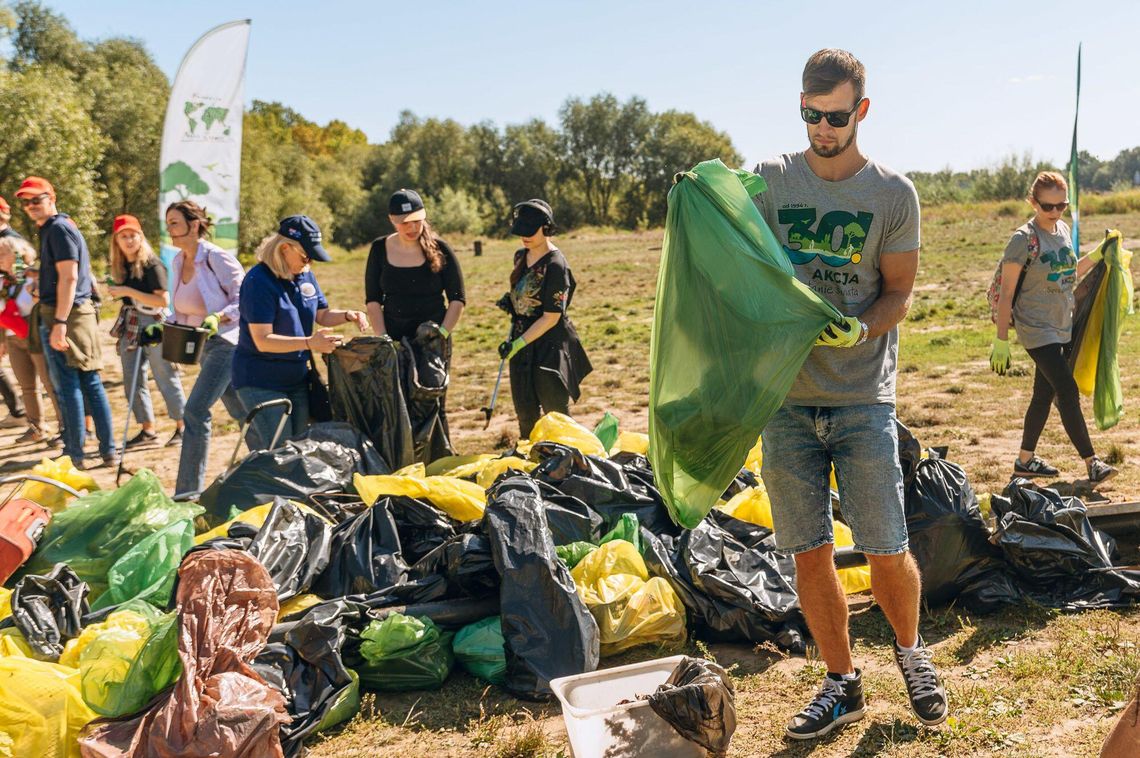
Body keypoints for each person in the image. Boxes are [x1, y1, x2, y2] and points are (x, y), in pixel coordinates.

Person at [752, 49, 947, 739]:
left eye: (834, 116)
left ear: (861, 111)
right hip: (785, 401)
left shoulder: (893, 195)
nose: (821, 128)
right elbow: (719, 242)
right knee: (809, 551)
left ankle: (912, 653)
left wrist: (860, 329)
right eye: (810, 114)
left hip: (865, 397)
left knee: (885, 545)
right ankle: (842, 682)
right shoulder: (770, 181)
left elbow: (898, 293)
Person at [990, 171, 1117, 485]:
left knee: (1042, 395)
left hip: (1061, 325)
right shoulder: (1023, 239)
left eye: (1063, 205)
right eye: (1049, 206)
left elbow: (1068, 272)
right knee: (1067, 391)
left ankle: (1024, 461)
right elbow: (1007, 292)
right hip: (1035, 328)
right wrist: (1001, 339)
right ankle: (1092, 463)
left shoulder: (1062, 228)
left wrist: (1099, 253)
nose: (1056, 212)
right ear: (1033, 202)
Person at [233, 215, 366, 448]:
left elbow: (322, 315)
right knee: (280, 452)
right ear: (285, 248)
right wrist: (309, 343)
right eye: (306, 257)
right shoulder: (258, 281)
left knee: (299, 450)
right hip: (261, 382)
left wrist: (348, 315)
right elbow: (262, 340)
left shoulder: (305, 274)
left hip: (297, 380)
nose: (309, 263)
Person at [15, 176, 116, 469]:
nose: (31, 206)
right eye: (26, 201)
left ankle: (76, 453)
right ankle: (104, 451)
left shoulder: (58, 228)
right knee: (86, 382)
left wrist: (59, 321)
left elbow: (70, 277)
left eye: (37, 199)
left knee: (72, 385)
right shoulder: (55, 228)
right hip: (68, 313)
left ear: (52, 196)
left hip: (67, 316)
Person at [365, 188, 466, 435]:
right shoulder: (379, 249)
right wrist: (384, 339)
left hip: (432, 340)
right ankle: (404, 456)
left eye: (417, 222)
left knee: (432, 400)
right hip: (395, 339)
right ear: (392, 220)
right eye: (404, 223)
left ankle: (438, 454)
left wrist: (441, 333)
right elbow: (373, 301)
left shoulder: (440, 248)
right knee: (398, 402)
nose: (412, 228)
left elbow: (457, 299)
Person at [164, 200, 246, 498]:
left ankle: (187, 494)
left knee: (196, 411)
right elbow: (184, 308)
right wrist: (162, 326)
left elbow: (244, 298)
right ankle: (274, 461)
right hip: (203, 346)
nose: (169, 229)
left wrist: (219, 316)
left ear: (194, 224)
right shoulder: (177, 261)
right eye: (168, 223)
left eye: (174, 222)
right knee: (242, 411)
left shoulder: (216, 258)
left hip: (227, 342)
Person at [498, 199, 592, 438]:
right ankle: (532, 462)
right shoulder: (520, 256)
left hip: (550, 344)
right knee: (525, 411)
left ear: (547, 228)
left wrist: (518, 343)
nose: (524, 237)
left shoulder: (556, 265)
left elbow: (551, 317)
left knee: (555, 414)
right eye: (521, 232)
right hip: (521, 340)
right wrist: (513, 302)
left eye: (530, 232)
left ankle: (566, 461)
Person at [106, 214, 186, 448]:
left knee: (164, 374)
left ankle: (183, 426)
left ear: (141, 237)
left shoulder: (152, 264)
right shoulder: (122, 266)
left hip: (153, 324)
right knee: (132, 378)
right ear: (117, 241)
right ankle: (147, 430)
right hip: (129, 323)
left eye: (133, 235)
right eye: (124, 236)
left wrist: (126, 290)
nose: (129, 240)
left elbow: (162, 300)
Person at [0, 234, 59, 443]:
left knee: (49, 382)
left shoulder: (33, 276)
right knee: (27, 386)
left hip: (35, 335)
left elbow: (44, 303)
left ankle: (64, 425)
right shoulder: (4, 282)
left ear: (18, 254)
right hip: (12, 338)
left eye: (3, 253)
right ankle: (36, 427)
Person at [0, 195, 29, 430]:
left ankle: (20, 412)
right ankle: (19, 411)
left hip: (15, 316)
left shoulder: (10, 240)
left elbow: (16, 283)